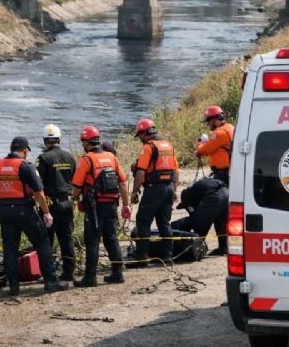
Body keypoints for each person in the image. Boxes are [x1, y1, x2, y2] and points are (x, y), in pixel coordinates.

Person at [0, 136, 67, 296]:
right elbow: (38, 192)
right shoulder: (25, 166)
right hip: (24, 209)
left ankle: (13, 287)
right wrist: (46, 212)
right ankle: (51, 282)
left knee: (10, 248)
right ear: (24, 151)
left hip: (4, 210)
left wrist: (1, 205)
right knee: (42, 242)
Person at [71, 126, 131, 286]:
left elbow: (76, 185)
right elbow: (123, 183)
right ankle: (118, 274)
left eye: (83, 142)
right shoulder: (112, 157)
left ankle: (90, 277)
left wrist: (76, 200)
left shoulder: (86, 160)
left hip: (94, 207)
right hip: (112, 205)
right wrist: (126, 205)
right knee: (111, 239)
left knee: (92, 241)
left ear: (86, 142)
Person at [130, 118, 179, 264]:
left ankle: (142, 257)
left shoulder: (148, 147)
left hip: (153, 189)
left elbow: (140, 172)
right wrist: (174, 189)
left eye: (140, 136)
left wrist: (134, 192)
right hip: (168, 188)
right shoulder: (168, 145)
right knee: (164, 222)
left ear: (145, 134)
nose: (140, 139)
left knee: (143, 221)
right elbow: (176, 170)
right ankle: (167, 256)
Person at [35, 124, 78, 281]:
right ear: (59, 139)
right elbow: (76, 180)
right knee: (66, 238)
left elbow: (37, 183)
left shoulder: (43, 158)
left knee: (46, 240)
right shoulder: (71, 157)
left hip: (50, 205)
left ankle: (49, 273)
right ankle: (69, 272)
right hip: (67, 202)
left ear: (45, 140)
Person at [172, 177, 229, 256]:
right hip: (227, 193)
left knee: (199, 223)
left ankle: (197, 246)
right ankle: (224, 248)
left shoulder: (185, 196)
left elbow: (194, 216)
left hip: (214, 195)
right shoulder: (194, 192)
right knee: (221, 223)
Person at [195, 105, 235, 186]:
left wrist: (200, 144)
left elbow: (204, 150)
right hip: (230, 171)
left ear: (213, 120)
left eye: (208, 122)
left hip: (222, 174)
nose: (208, 125)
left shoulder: (219, 133)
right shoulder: (231, 127)